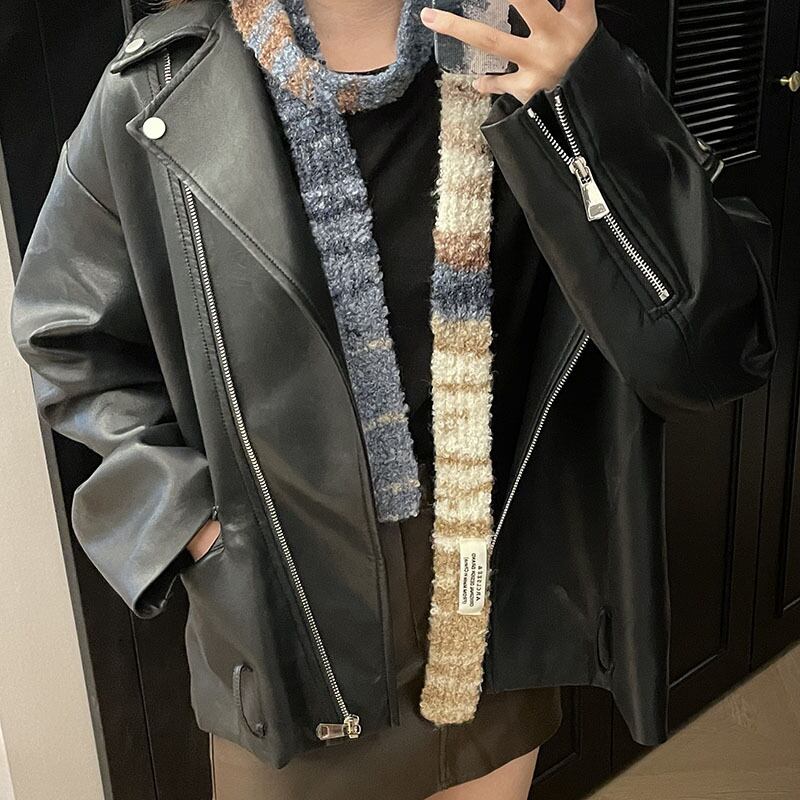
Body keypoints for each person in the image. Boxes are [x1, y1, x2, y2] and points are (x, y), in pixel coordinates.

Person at [9, 0, 777, 798]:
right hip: (291, 627)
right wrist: (200, 531)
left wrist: (589, 99)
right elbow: (68, 336)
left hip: (494, 612)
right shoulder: (162, 81)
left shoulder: (537, 40)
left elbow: (716, 353)